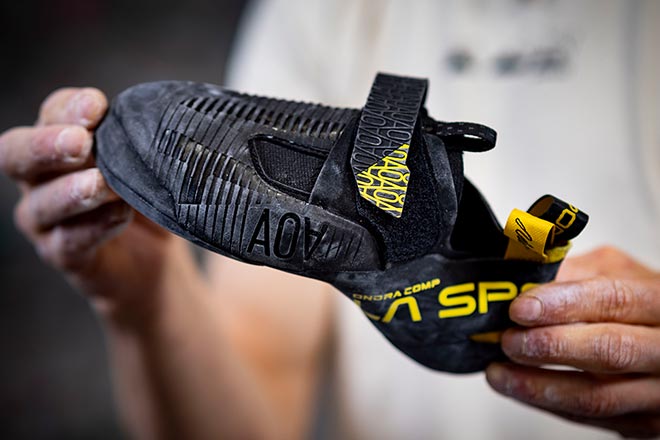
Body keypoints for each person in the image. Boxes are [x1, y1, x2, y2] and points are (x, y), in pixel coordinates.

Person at [1, 0, 659, 438]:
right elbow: (253, 415)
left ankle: (436, 256)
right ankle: (453, 268)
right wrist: (143, 297)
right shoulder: (323, 9)